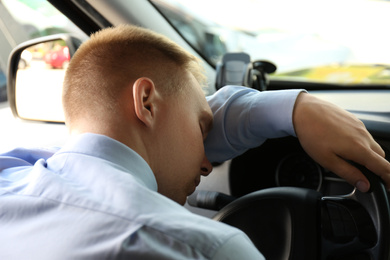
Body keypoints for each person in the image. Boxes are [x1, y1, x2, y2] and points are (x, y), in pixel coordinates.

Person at [0, 24, 389, 259]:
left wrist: (296, 110)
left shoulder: (11, 176)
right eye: (202, 129)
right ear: (146, 103)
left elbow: (90, 148)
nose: (207, 162)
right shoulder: (199, 248)